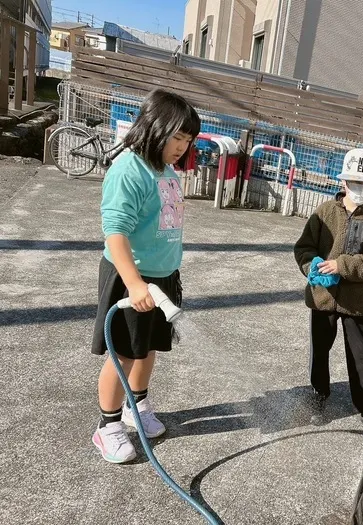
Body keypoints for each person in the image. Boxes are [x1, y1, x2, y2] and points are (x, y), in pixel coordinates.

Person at [90, 89, 201, 463]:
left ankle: (136, 407)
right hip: (130, 277)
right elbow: (115, 231)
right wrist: (135, 283)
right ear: (154, 128)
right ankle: (107, 427)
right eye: (178, 138)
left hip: (162, 277)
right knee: (123, 353)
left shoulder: (165, 170)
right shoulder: (129, 169)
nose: (182, 148)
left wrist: (163, 276)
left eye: (188, 141)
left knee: (148, 348)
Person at [293, 148, 363, 427]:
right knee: (320, 348)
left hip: (358, 300)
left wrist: (342, 266)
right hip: (323, 296)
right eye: (354, 183)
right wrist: (310, 266)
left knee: (362, 353)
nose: (360, 189)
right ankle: (318, 393)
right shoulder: (325, 212)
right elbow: (304, 247)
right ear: (342, 182)